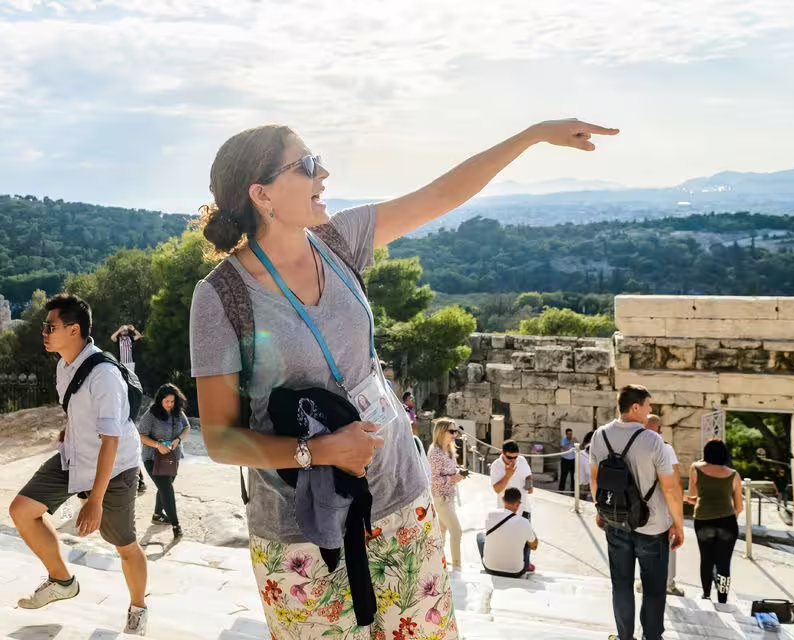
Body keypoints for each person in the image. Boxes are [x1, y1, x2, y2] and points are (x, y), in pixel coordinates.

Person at [188, 119, 618, 639]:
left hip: (400, 496)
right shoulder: (220, 298)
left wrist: (530, 136)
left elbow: (441, 195)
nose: (323, 171)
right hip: (304, 530)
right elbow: (220, 439)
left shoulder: (339, 240)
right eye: (305, 165)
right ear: (262, 195)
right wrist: (319, 451)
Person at [8, 294, 148, 635]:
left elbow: (111, 440)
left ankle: (139, 607)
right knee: (21, 510)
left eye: (50, 327)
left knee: (124, 544)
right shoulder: (63, 366)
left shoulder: (104, 376)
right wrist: (69, 427)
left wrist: (94, 501)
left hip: (114, 466)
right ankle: (62, 580)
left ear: (74, 331)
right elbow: (75, 407)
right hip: (74, 456)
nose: (44, 332)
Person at [590, 385, 685, 640]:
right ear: (635, 408)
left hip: (616, 522)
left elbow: (595, 481)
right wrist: (678, 524)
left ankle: (625, 636)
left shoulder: (600, 436)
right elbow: (671, 489)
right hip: (652, 526)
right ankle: (651, 636)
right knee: (654, 588)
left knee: (620, 584)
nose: (650, 410)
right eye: (647, 405)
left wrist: (601, 511)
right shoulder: (653, 441)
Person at [687, 439, 744, 603]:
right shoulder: (734, 474)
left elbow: (693, 497)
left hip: (703, 521)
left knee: (706, 559)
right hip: (727, 523)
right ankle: (723, 599)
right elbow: (739, 507)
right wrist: (728, 518)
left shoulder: (696, 468)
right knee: (724, 563)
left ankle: (706, 595)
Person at [636, 414, 685, 597]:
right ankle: (668, 584)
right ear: (658, 430)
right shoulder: (665, 449)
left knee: (641, 546)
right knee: (667, 548)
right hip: (661, 507)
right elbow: (676, 483)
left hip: (637, 507)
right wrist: (677, 518)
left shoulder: (633, 446)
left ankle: (643, 581)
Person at [137, 383, 191, 539]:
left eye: (172, 402)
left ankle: (157, 514)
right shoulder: (150, 415)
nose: (169, 405)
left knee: (165, 486)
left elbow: (187, 428)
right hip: (152, 458)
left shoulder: (178, 413)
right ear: (160, 400)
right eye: (167, 401)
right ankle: (176, 525)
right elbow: (141, 435)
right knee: (167, 489)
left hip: (172, 457)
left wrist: (179, 440)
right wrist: (157, 445)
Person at [490, 439, 535, 571]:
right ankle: (505, 564)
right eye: (510, 457)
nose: (513, 460)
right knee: (507, 538)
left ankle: (525, 563)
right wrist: (508, 475)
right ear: (502, 453)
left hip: (524, 505)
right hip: (506, 510)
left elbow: (529, 475)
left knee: (526, 537)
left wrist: (530, 484)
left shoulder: (522, 460)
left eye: (516, 457)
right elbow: (497, 489)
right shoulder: (496, 465)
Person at [428, 418, 466, 570]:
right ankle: (457, 567)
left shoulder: (449, 449)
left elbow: (449, 471)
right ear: (441, 432)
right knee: (457, 531)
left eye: (456, 431)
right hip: (441, 498)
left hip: (449, 497)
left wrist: (458, 473)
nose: (455, 434)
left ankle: (439, 563)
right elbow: (432, 478)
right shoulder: (435, 452)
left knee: (442, 531)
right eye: (452, 431)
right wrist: (452, 479)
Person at [477, 487, 538, 578]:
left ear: (503, 500)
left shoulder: (490, 515)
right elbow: (534, 546)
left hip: (490, 569)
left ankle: (492, 559)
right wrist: (529, 528)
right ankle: (526, 563)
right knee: (528, 540)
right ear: (518, 504)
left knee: (480, 536)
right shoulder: (524, 522)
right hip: (517, 572)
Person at [558, 427, 578, 492]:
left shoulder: (574, 440)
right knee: (563, 476)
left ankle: (573, 491)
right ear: (566, 434)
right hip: (565, 460)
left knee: (573, 477)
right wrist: (571, 443)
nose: (570, 435)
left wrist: (577, 442)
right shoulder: (564, 440)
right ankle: (561, 490)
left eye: (571, 434)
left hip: (573, 460)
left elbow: (579, 447)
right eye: (569, 434)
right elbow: (564, 448)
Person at [577, 431, 593, 500]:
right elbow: (588, 472)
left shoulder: (580, 453)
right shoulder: (586, 456)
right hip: (585, 483)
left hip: (580, 481)